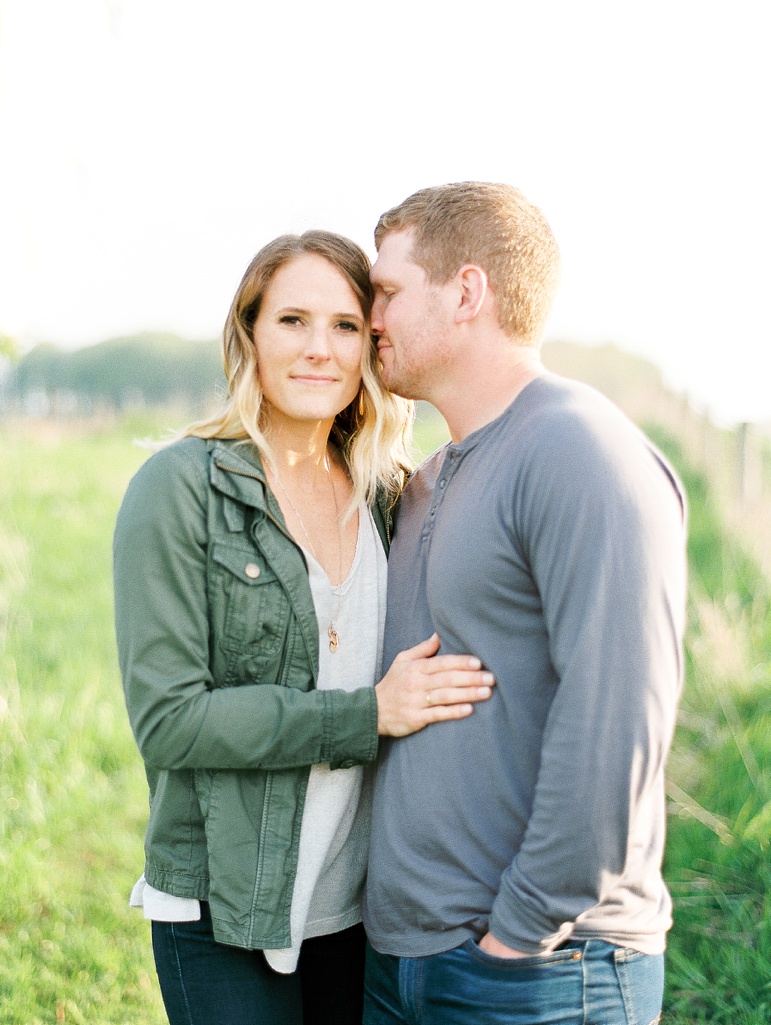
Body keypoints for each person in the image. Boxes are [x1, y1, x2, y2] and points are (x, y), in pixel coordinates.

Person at [113, 230, 496, 1025]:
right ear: (249, 333)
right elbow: (170, 721)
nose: (319, 348)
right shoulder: (179, 489)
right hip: (223, 906)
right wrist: (367, 715)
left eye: (346, 325)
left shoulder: (391, 495)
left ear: (370, 345)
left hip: (360, 907)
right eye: (292, 320)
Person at [362, 183, 688, 1025]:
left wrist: (518, 935)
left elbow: (618, 720)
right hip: (409, 961)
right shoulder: (431, 478)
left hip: (537, 971)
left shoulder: (579, 449)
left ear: (467, 292)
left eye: (388, 291)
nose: (370, 318)